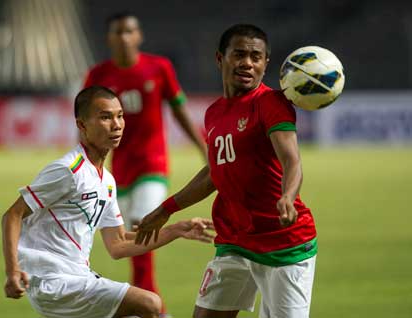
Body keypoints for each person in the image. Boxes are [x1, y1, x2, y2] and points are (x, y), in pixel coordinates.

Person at [136, 24, 318, 318]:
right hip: (235, 241)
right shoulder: (214, 113)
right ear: (221, 58)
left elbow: (292, 160)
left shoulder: (271, 103)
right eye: (240, 54)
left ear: (265, 64)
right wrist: (166, 208)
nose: (248, 62)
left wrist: (288, 195)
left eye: (256, 57)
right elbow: (213, 173)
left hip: (283, 243)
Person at [1, 86, 214, 318]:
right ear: (82, 125)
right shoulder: (68, 171)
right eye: (105, 117)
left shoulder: (107, 182)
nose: (117, 125)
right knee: (150, 304)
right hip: (54, 282)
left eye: (120, 116)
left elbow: (119, 244)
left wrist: (177, 229)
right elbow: (12, 215)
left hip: (79, 278)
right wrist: (13, 271)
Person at [82, 12, 207, 314]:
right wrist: (89, 165)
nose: (124, 37)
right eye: (118, 32)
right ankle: (151, 306)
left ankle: (150, 306)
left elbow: (178, 110)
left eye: (129, 31)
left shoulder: (159, 68)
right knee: (127, 242)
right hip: (117, 170)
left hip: (152, 165)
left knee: (143, 222)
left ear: (139, 36)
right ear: (109, 38)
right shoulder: (98, 75)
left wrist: (203, 146)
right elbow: (86, 126)